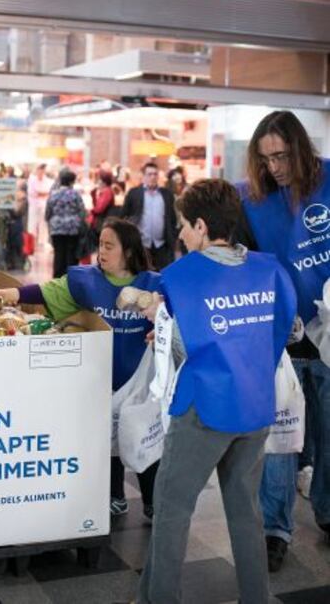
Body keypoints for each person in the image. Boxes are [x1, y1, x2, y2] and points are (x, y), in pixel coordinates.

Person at [116, 179, 296, 604]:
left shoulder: (184, 277)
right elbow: (289, 331)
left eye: (183, 224)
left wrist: (160, 322)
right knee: (246, 513)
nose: (179, 234)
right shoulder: (269, 269)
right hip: (255, 407)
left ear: (201, 225)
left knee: (172, 511)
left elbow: (187, 347)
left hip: (204, 409)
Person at [0, 218, 161, 520]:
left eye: (109, 246)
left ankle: (153, 500)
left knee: (143, 439)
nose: (102, 251)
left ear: (128, 251)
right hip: (102, 376)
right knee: (107, 437)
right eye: (100, 245)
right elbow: (49, 292)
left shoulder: (154, 285)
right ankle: (114, 496)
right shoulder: (87, 281)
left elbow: (176, 320)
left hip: (141, 379)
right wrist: (14, 295)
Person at [235, 110, 330, 570]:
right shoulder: (252, 200)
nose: (274, 167)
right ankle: (274, 530)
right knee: (280, 439)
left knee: (328, 435)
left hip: (328, 335)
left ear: (300, 149)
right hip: (282, 337)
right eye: (266, 158)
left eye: (282, 156)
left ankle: (327, 512)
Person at [121, 161, 177, 271]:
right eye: (149, 174)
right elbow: (124, 215)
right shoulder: (134, 193)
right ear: (143, 176)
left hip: (162, 245)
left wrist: (173, 236)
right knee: (141, 274)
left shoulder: (166, 194)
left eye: (155, 174)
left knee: (162, 275)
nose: (152, 177)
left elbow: (172, 218)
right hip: (141, 244)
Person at [45, 168, 86, 278]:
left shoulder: (53, 194)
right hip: (73, 229)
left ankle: (57, 279)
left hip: (56, 229)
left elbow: (48, 212)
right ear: (71, 182)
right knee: (71, 255)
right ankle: (70, 279)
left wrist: (50, 222)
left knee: (58, 254)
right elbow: (82, 211)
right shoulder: (75, 194)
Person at [27, 163, 52, 248]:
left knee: (43, 224)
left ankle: (42, 242)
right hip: (33, 205)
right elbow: (32, 193)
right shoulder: (32, 180)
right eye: (40, 169)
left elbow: (49, 192)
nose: (41, 171)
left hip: (44, 206)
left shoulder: (48, 181)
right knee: (32, 224)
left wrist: (41, 193)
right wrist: (42, 193)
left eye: (43, 169)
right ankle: (31, 242)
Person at [89, 170, 115, 243]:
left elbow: (99, 209)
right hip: (101, 221)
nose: (97, 182)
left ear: (104, 182)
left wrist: (91, 211)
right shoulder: (105, 191)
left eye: (99, 180)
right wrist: (93, 194)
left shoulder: (106, 192)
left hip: (101, 222)